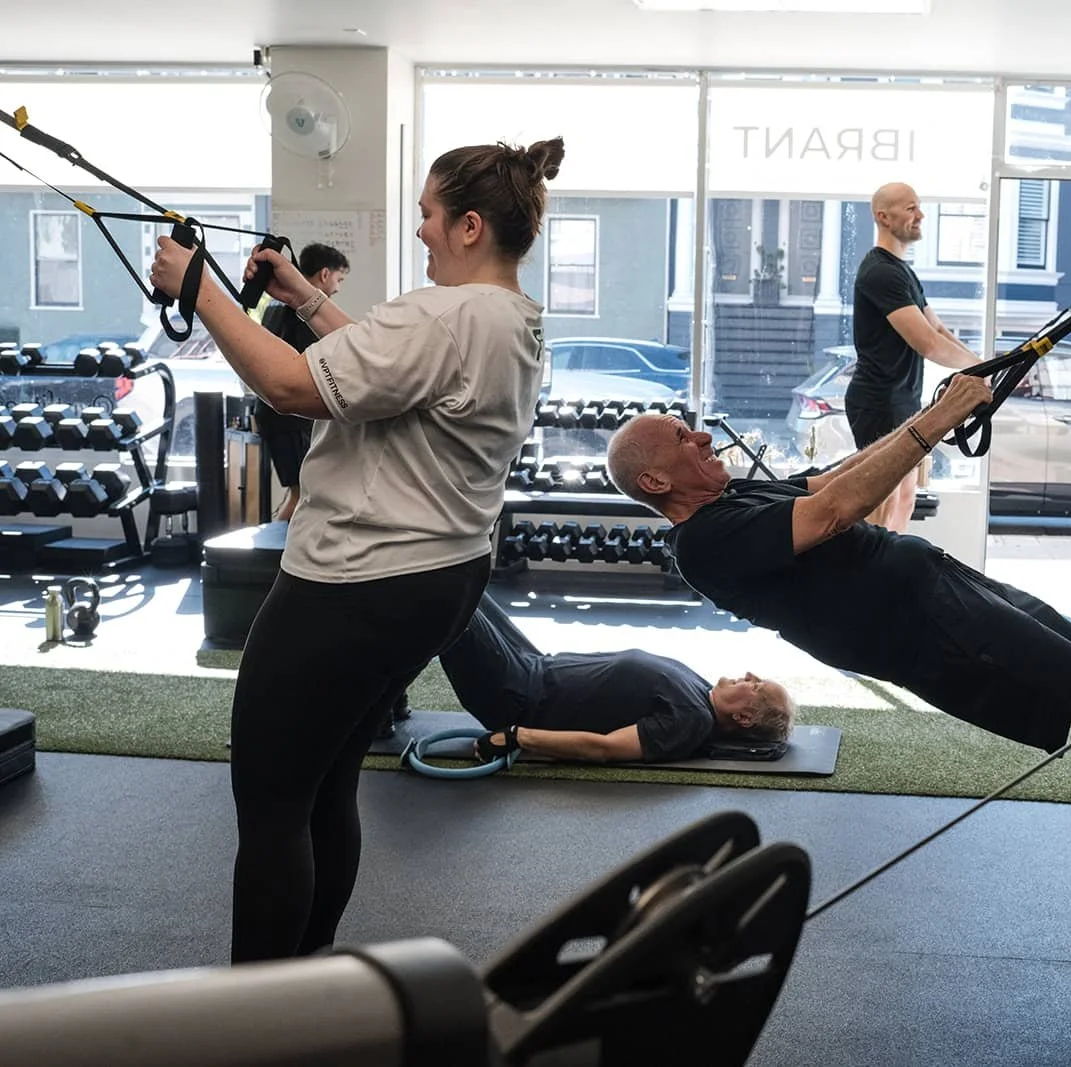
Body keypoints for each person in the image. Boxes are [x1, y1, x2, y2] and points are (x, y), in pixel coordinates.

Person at [606, 379, 1071, 979]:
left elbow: (829, 479)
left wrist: (932, 414)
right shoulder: (703, 543)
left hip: (947, 591)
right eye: (681, 436)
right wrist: (942, 418)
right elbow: (833, 511)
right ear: (655, 478)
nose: (701, 435)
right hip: (939, 636)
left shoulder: (730, 501)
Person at [149, 136, 564, 964]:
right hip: (437, 583)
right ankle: (310, 993)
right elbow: (379, 369)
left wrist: (200, 291)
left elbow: (293, 386)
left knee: (272, 809)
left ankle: (258, 1019)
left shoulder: (441, 314)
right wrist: (304, 298)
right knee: (327, 785)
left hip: (349, 587)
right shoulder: (510, 318)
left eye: (428, 216)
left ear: (472, 225)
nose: (420, 232)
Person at [435, 593, 794, 765]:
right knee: (468, 577)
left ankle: (383, 698)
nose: (749, 676)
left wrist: (516, 736)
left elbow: (604, 748)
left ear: (744, 718)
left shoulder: (690, 722)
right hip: (532, 663)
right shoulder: (700, 691)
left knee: (442, 597)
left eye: (757, 686)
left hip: (516, 696)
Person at [847, 182, 982, 532]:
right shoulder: (879, 272)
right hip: (878, 401)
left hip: (903, 400)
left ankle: (890, 575)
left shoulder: (902, 271)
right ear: (883, 216)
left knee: (907, 496)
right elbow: (928, 344)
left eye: (918, 207)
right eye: (910, 208)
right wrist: (976, 371)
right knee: (882, 502)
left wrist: (985, 366)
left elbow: (938, 330)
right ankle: (866, 578)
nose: (920, 215)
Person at [255, 242, 351, 521]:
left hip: (272, 415)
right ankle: (278, 558)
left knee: (297, 492)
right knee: (301, 495)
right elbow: (316, 366)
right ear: (324, 274)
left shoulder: (275, 308)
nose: (338, 287)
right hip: (291, 420)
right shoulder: (305, 316)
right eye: (338, 279)